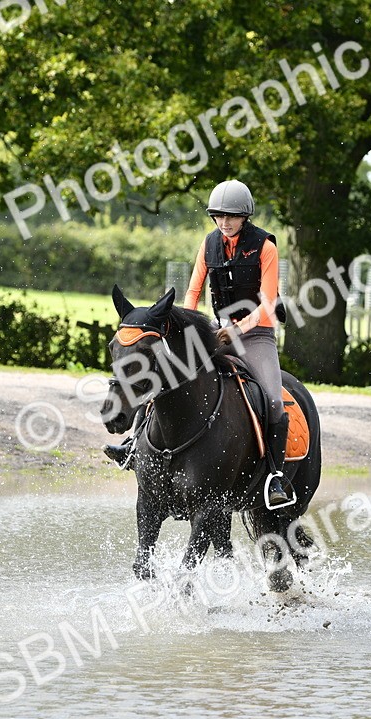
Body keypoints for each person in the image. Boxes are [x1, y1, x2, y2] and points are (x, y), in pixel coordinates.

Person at [104, 180, 294, 508]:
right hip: (214, 332)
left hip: (256, 335)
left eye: (232, 216)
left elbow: (267, 305)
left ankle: (274, 478)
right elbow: (192, 293)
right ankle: (133, 445)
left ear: (245, 216)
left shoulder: (266, 247)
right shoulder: (208, 245)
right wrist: (186, 331)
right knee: (163, 376)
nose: (225, 222)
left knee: (274, 404)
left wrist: (234, 331)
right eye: (219, 216)